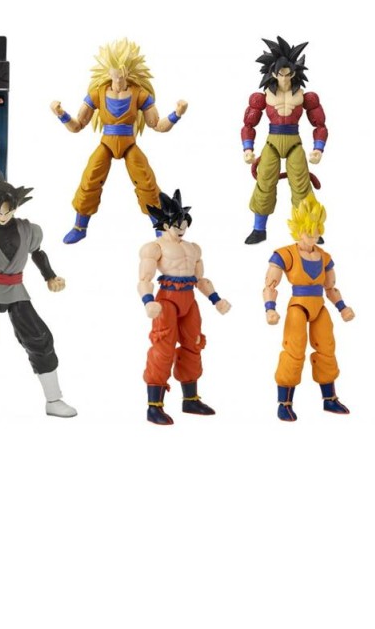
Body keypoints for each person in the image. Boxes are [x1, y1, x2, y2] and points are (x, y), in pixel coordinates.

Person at [0, 168, 77, 428]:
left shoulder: (27, 229)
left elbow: (37, 253)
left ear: (15, 207)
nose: (3, 214)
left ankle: (54, 400)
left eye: (9, 209)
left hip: (17, 290)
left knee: (40, 338)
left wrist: (50, 276)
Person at [51, 38, 187, 243]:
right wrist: (61, 114)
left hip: (129, 144)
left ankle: (161, 227)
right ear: (107, 70)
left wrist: (177, 114)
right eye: (115, 70)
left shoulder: (139, 94)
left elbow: (158, 125)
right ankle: (80, 226)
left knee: (146, 181)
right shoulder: (97, 93)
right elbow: (77, 126)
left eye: (122, 70)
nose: (119, 75)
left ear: (129, 70)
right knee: (90, 178)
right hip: (106, 143)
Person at [138, 190, 231, 425]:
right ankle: (154, 406)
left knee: (194, 344)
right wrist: (148, 301)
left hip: (189, 299)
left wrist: (216, 299)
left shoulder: (193, 248)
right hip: (166, 300)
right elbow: (144, 279)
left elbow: (200, 279)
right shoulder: (154, 247)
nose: (181, 228)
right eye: (176, 224)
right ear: (165, 224)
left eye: (183, 223)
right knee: (163, 347)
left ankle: (190, 399)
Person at [264, 196, 354, 421]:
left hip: (319, 306)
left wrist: (342, 307)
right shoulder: (285, 254)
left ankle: (329, 399)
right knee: (294, 350)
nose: (313, 236)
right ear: (298, 230)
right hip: (298, 306)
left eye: (316, 231)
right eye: (308, 232)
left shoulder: (324, 257)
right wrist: (270, 308)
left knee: (327, 348)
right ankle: (284, 403)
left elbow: (330, 287)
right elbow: (270, 285)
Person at [241, 36, 327, 244]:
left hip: (294, 143)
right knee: (264, 182)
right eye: (281, 74)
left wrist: (318, 148)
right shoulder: (263, 97)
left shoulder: (305, 96)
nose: (285, 79)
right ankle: (259, 229)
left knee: (302, 185)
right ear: (273, 73)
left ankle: (309, 228)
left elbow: (320, 125)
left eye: (289, 74)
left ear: (295, 72)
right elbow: (249, 125)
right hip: (272, 142)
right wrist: (247, 148)